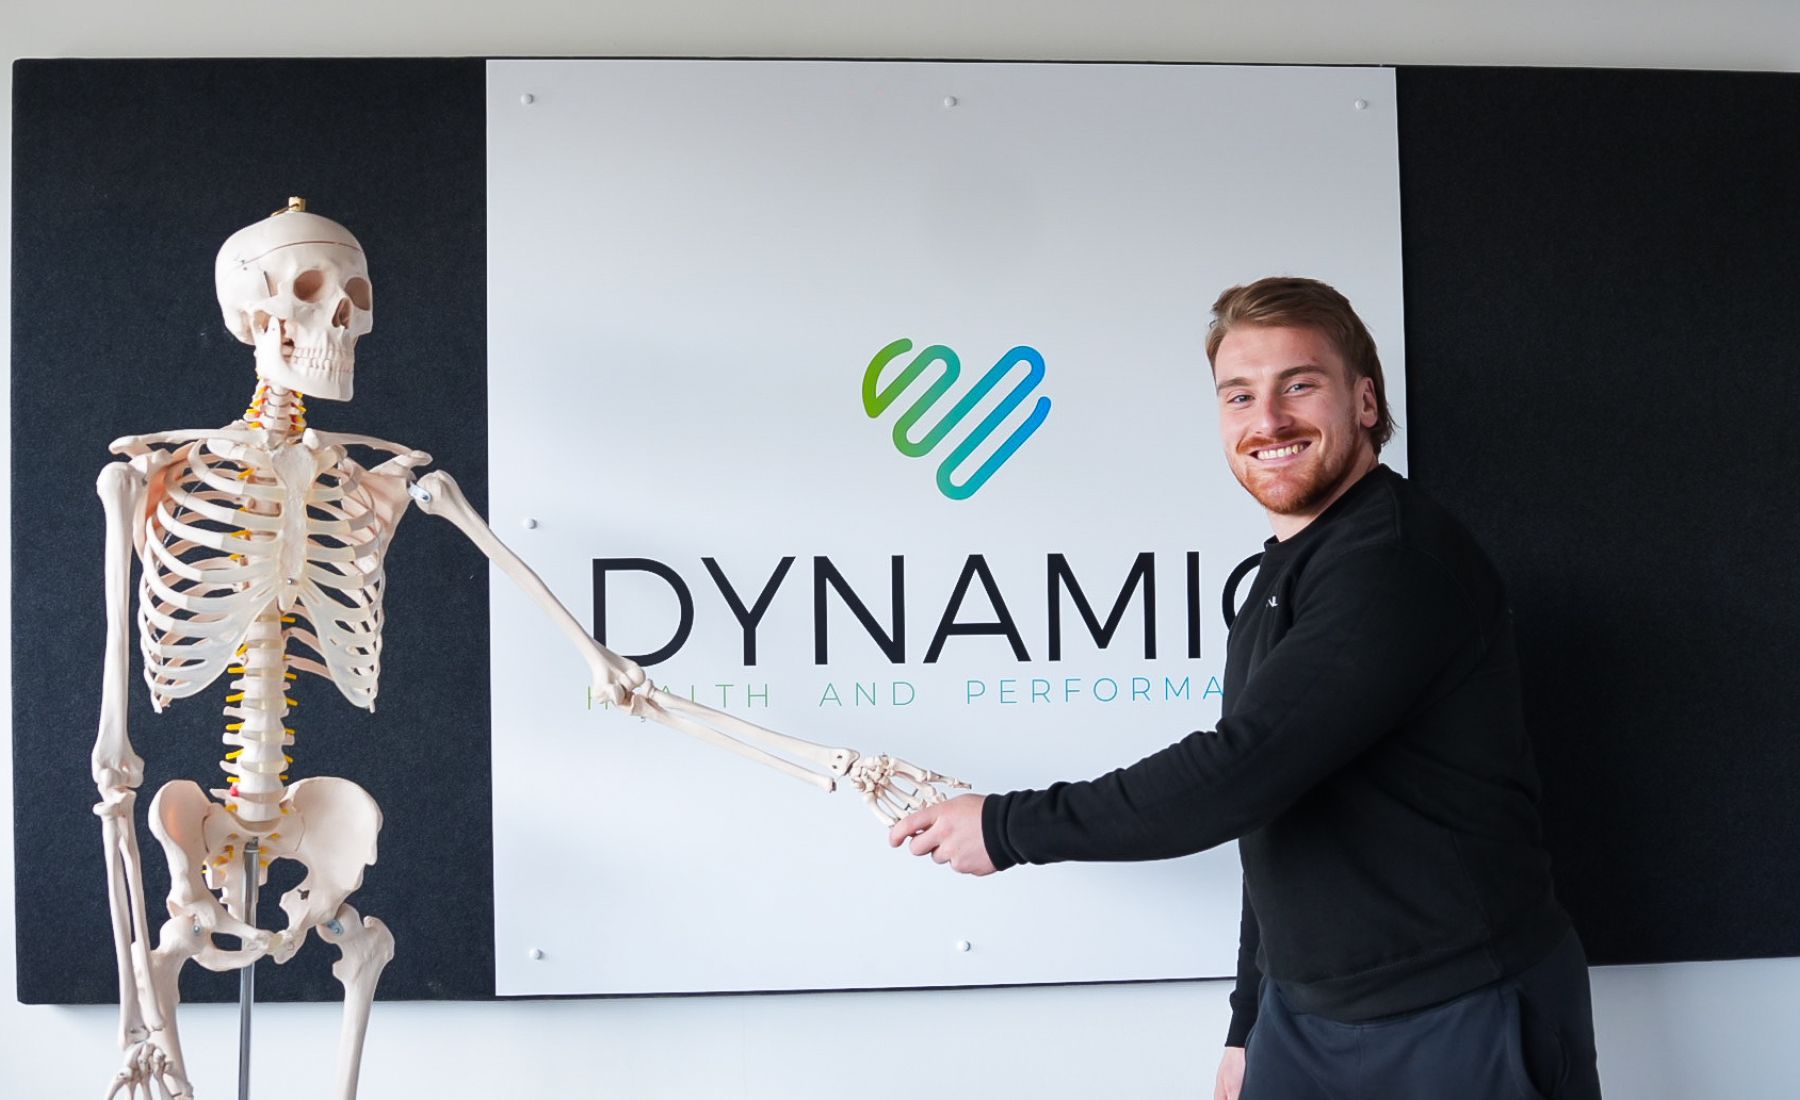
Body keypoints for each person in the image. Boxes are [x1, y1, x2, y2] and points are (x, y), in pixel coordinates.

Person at [889, 277, 1602, 1099]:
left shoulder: (1394, 563)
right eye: (1240, 396)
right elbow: (1273, 802)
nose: (1268, 422)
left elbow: (1240, 772)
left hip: (1455, 1013)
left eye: (1299, 384)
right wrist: (1250, 1019)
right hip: (1307, 1022)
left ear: (1365, 401)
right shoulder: (1288, 573)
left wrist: (1009, 827)